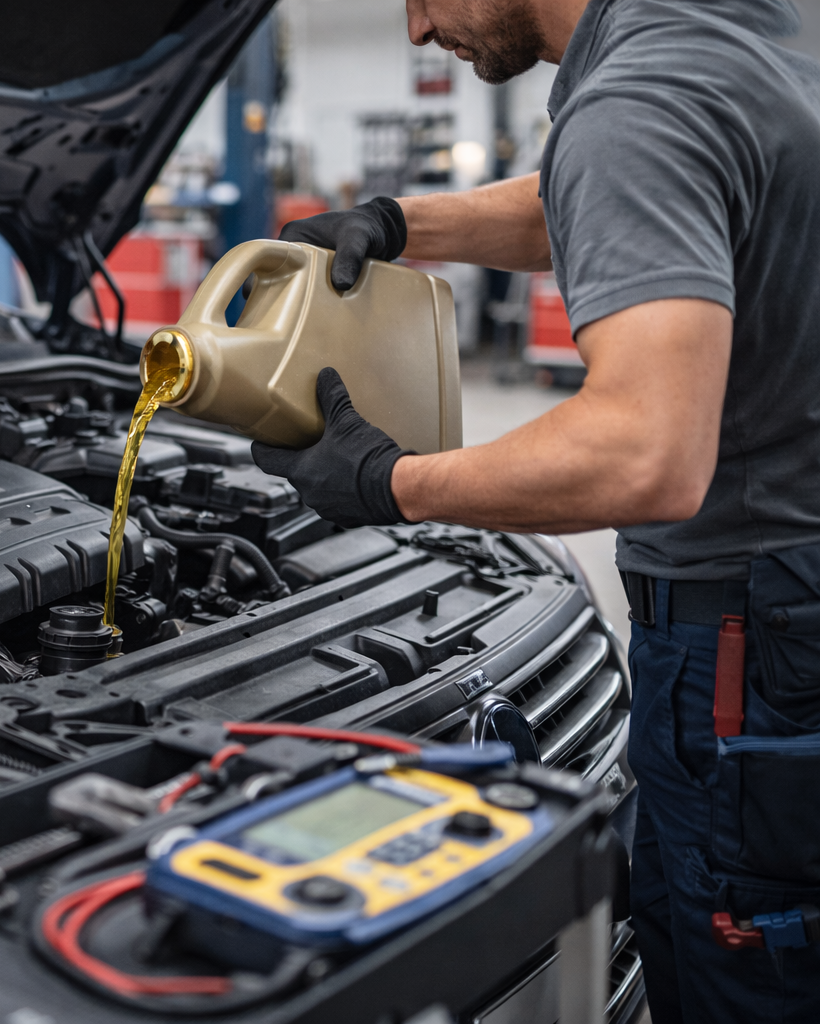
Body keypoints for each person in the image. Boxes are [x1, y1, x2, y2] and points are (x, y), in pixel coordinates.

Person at [258, 0, 820, 1020]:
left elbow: (645, 452)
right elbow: (589, 195)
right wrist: (399, 223)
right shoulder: (730, 35)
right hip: (790, 599)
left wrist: (391, 481)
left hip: (747, 636)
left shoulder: (637, 99)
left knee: (739, 973)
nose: (417, 30)